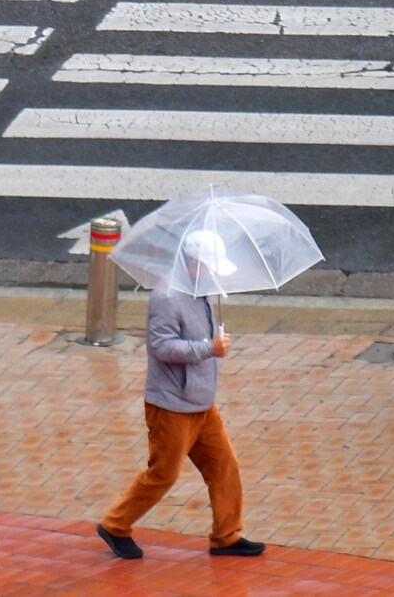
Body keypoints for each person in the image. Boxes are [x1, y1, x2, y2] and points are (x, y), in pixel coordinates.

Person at [97, 230, 266, 560]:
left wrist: (212, 343)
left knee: (224, 467)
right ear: (191, 263)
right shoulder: (167, 297)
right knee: (163, 474)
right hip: (172, 406)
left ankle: (226, 536)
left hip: (202, 403)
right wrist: (208, 348)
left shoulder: (202, 291)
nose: (215, 274)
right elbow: (160, 346)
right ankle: (115, 525)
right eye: (210, 267)